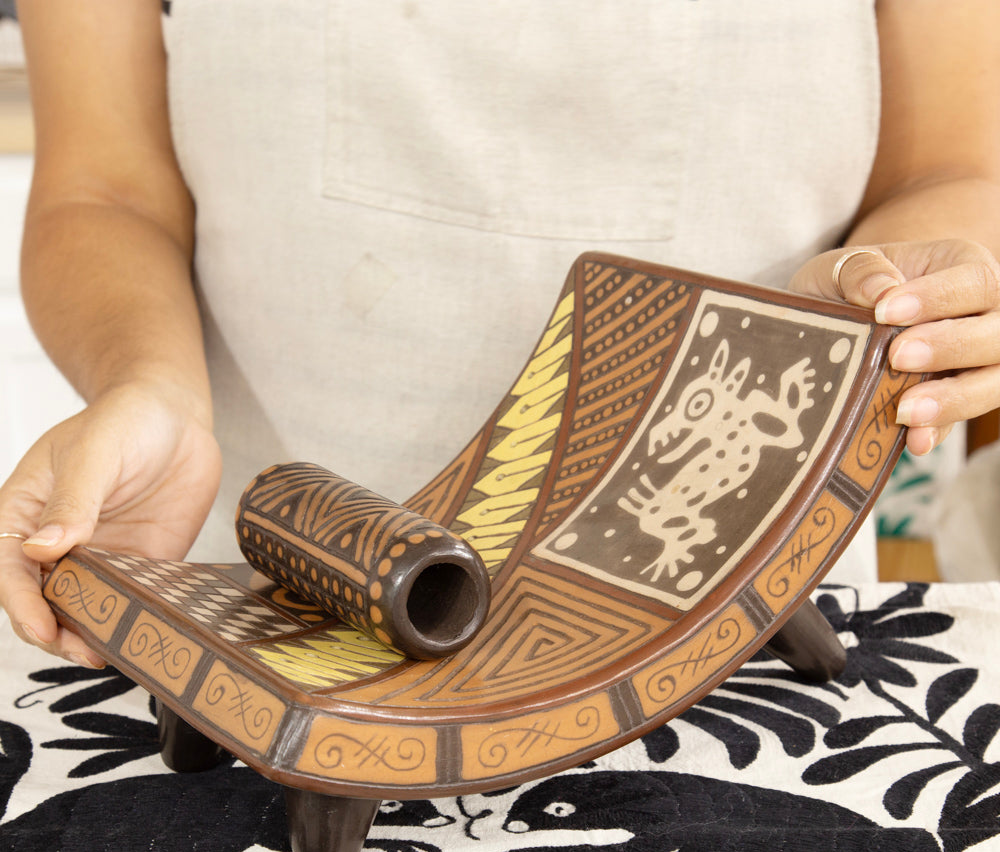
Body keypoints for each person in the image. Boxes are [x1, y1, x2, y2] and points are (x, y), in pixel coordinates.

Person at [1, 0, 999, 671]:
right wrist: (148, 386)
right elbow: (103, 187)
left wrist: (902, 292)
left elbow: (948, 162)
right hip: (257, 601)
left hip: (746, 603)